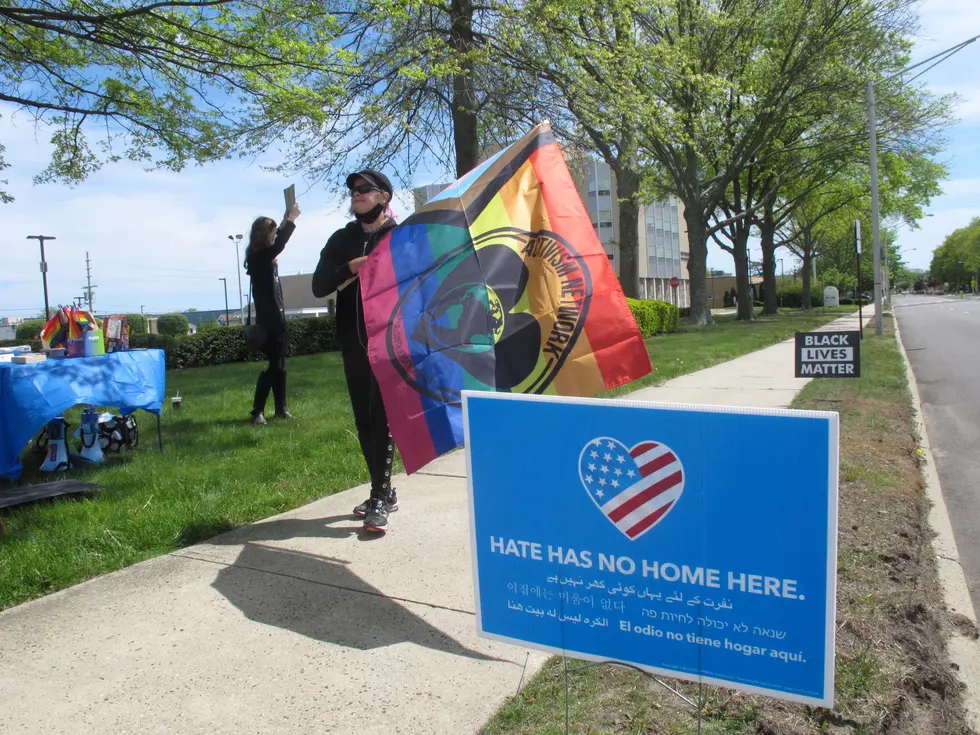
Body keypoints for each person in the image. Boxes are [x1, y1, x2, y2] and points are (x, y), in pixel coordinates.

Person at [312, 170, 398, 533]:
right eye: (353, 190)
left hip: (391, 340)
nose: (356, 194)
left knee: (382, 417)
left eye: (365, 190)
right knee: (364, 419)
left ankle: (379, 496)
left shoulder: (400, 235)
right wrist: (350, 268)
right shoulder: (341, 239)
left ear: (383, 198)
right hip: (352, 341)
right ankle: (386, 491)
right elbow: (318, 286)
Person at [245, 202, 301, 424]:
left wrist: (286, 219)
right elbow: (279, 244)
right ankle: (257, 411)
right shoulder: (259, 258)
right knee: (275, 365)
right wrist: (292, 220)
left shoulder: (263, 257)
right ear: (264, 235)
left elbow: (276, 244)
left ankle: (280, 409)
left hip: (277, 319)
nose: (276, 234)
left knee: (280, 365)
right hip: (269, 321)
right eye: (273, 232)